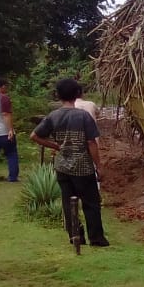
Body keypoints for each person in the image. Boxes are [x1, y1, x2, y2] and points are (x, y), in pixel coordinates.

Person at [30, 78, 108, 247]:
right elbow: (91, 142)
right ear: (78, 93)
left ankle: (75, 235)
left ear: (58, 95)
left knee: (68, 201)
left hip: (62, 167)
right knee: (91, 203)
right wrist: (99, 166)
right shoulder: (83, 116)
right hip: (83, 167)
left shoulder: (53, 116)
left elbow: (34, 136)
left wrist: (56, 146)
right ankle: (96, 238)